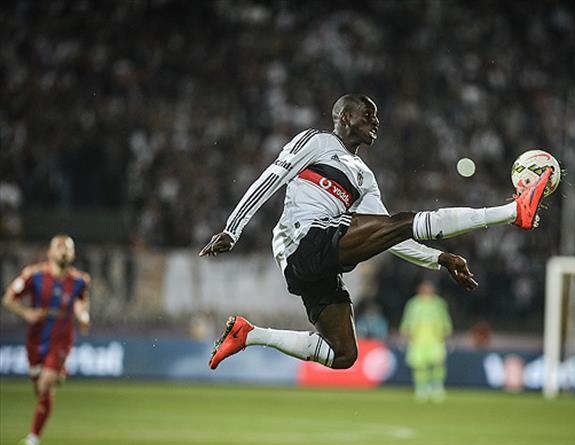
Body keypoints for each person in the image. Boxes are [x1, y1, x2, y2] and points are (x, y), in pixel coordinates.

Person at [200, 94, 552, 371]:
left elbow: (390, 236)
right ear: (345, 117)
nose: (376, 121)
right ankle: (511, 212)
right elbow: (271, 178)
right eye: (368, 115)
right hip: (304, 240)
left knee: (343, 354)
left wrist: (440, 259)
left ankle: (248, 334)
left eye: (377, 116)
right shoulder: (316, 142)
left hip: (319, 261)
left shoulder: (364, 178)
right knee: (404, 220)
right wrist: (233, 228)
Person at [2, 235, 91, 445]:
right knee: (41, 390)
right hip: (35, 341)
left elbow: (81, 302)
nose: (64, 251)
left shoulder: (80, 281)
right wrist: (27, 313)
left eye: (68, 248)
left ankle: (32, 439)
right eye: (59, 247)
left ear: (73, 254)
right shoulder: (33, 275)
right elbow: (8, 298)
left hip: (61, 340)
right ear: (50, 252)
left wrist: (83, 316)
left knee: (45, 384)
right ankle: (59, 372)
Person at [399, 280, 453, 402]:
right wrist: (405, 333)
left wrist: (446, 332)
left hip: (435, 339)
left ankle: (437, 387)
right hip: (417, 340)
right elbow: (407, 319)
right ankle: (421, 388)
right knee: (419, 365)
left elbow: (445, 319)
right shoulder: (413, 304)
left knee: (438, 363)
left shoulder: (438, 303)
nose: (426, 290)